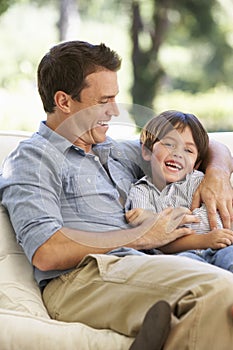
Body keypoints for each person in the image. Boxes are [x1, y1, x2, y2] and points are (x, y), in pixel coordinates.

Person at [1, 40, 233, 350]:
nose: (114, 110)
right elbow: (46, 250)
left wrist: (217, 175)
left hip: (144, 265)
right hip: (83, 280)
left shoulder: (115, 150)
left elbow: (209, 145)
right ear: (64, 101)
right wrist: (142, 235)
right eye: (104, 100)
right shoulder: (32, 159)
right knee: (220, 291)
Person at [125, 110, 233, 272]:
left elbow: (219, 223)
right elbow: (155, 239)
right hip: (180, 255)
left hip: (223, 248)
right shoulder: (140, 191)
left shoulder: (201, 182)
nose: (178, 154)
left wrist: (171, 220)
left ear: (196, 164)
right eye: (169, 144)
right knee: (184, 267)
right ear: (147, 151)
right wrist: (202, 239)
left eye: (188, 150)